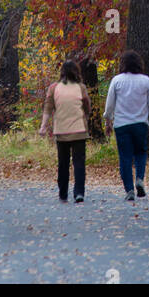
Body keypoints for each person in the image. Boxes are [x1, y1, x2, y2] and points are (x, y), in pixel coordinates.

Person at [103, 50, 149, 200]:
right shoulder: (146, 81)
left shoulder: (116, 80)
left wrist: (108, 121)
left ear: (123, 64)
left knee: (125, 157)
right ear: (139, 64)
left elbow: (110, 105)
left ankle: (129, 189)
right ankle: (140, 179)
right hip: (140, 124)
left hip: (121, 125)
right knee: (141, 152)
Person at [39, 60, 89, 203]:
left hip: (61, 131)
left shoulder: (54, 88)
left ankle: (63, 193)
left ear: (62, 72)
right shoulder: (81, 87)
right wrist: (86, 115)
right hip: (79, 130)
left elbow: (48, 108)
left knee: (63, 163)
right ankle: (79, 192)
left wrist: (43, 126)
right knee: (79, 163)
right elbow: (86, 105)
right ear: (76, 72)